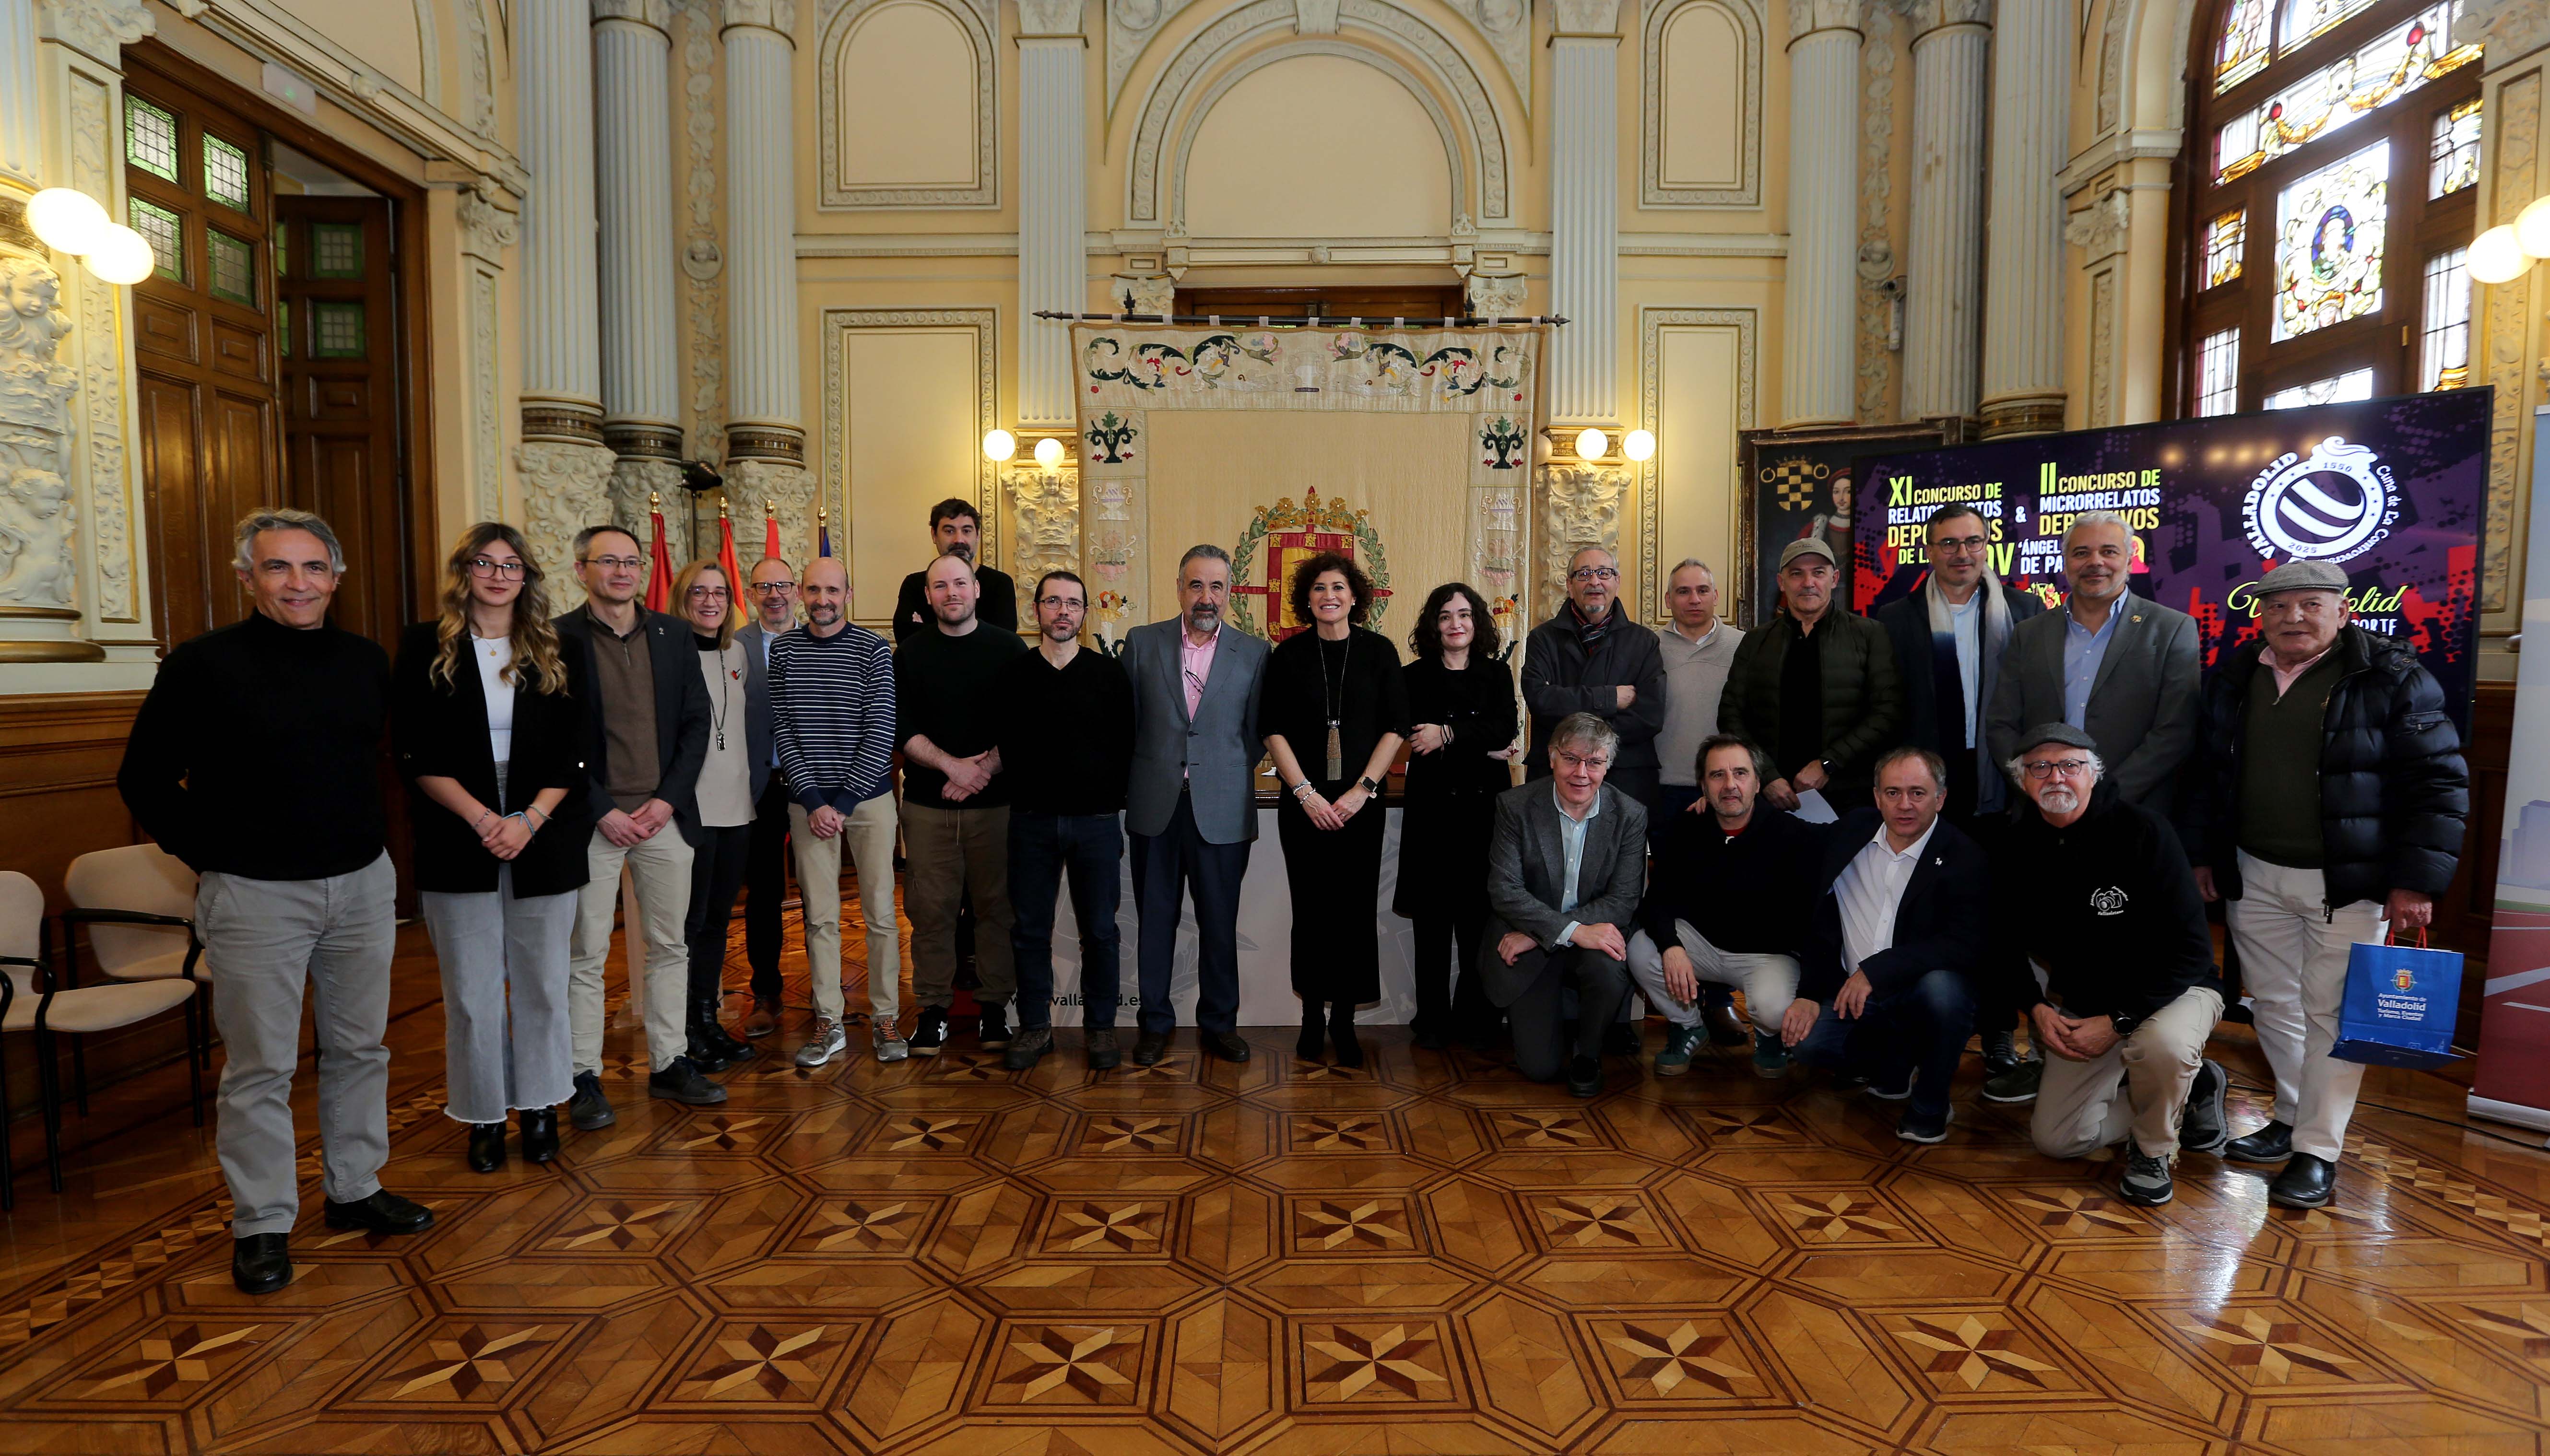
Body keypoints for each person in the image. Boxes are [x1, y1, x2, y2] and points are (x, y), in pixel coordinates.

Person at [119, 508, 432, 1296]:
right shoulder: (201, 664)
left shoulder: (366, 661)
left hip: (360, 884)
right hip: (255, 895)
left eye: (313, 568)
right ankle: (261, 1223)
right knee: (261, 1067)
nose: (298, 584)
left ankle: (354, 1188)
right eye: (278, 568)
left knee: (362, 1048)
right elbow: (144, 779)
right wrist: (216, 858)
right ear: (247, 578)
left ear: (336, 578)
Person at [2186, 560, 2468, 1209]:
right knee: (2274, 1003)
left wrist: (2415, 882)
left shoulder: (2393, 678)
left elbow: (2440, 784)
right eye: (2278, 607)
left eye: (2310, 604)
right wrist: (2204, 855)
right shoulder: (2235, 677)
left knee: (2332, 1015)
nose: (2293, 618)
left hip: (2351, 882)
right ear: (2260, 615)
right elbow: (2208, 776)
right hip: (2252, 872)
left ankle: (2316, 1151)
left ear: (2343, 611)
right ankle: (2289, 1116)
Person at [394, 522, 590, 1174]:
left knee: (541, 983)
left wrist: (529, 819)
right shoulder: (425, 645)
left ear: (527, 576)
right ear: (466, 572)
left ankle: (539, 1108)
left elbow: (576, 752)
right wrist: (484, 817)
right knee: (473, 993)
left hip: (546, 823)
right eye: (486, 562)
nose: (500, 575)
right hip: (458, 824)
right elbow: (413, 751)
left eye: (512, 565)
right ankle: (482, 1116)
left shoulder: (559, 645)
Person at [1997, 724, 2228, 1208]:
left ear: (2094, 775)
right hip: (2088, 1003)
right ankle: (2190, 1086)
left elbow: (2193, 952)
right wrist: (2037, 1009)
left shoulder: (2145, 831)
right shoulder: (2015, 847)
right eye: (2040, 767)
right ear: (2023, 781)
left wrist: (2120, 1020)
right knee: (2059, 1140)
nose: (2056, 777)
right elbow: (2001, 943)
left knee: (2159, 1046)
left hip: (2176, 990)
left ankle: (2153, 1150)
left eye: (2070, 765)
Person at [1875, 503, 2047, 1100]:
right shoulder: (1894, 618)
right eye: (1949, 543)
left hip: (2000, 787)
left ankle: (1999, 1032)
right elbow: (1888, 711)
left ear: (1987, 547)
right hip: (1926, 791)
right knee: (1926, 914)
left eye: (1973, 542)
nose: (1962, 554)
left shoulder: (2024, 613)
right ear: (1930, 551)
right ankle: (1928, 1029)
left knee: (1999, 918)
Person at [553, 523, 721, 1121]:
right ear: (582, 571)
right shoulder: (557, 638)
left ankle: (670, 1063)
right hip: (591, 820)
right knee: (585, 953)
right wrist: (602, 808)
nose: (622, 572)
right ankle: (581, 1076)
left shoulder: (674, 635)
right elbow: (551, 738)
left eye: (631, 562)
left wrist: (666, 801)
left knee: (670, 945)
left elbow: (697, 724)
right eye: (608, 562)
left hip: (663, 818)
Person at [1782, 747, 1988, 1143]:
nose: (1904, 805)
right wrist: (1809, 992)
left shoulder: (1965, 856)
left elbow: (1965, 944)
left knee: (1944, 992)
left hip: (1919, 993)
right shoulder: (1852, 831)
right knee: (1806, 1043)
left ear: (1941, 798)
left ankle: (1931, 1102)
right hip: (1855, 999)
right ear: (1877, 797)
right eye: (1893, 793)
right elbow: (1789, 840)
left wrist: (1877, 970)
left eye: (1918, 793)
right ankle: (1893, 1067)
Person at [1122, 544, 1270, 1064]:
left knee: (1219, 922)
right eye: (1196, 585)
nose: (1205, 597)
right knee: (1155, 920)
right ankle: (1155, 1024)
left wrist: (1216, 771)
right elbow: (1129, 725)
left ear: (1229, 593)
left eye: (1216, 586)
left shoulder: (1254, 653)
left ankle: (1219, 1023)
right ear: (1179, 588)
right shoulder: (1141, 644)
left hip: (1223, 809)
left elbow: (1255, 736)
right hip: (1155, 806)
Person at [1262, 553, 1410, 1067]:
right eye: (1320, 587)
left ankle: (1344, 1021)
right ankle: (1310, 1021)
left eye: (1339, 587)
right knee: (1312, 912)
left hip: (1359, 809)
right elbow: (1273, 729)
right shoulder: (1286, 656)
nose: (1330, 595)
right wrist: (1305, 793)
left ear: (1355, 597)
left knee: (1352, 913)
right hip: (1303, 806)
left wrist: (1362, 790)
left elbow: (1396, 727)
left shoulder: (1379, 652)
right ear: (1306, 598)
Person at [995, 569, 1136, 1070]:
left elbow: (1128, 745)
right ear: (1037, 611)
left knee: (1100, 931)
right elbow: (1006, 745)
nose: (1063, 611)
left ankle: (1101, 1030)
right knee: (1030, 930)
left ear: (1083, 613)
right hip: (1031, 822)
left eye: (1072, 603)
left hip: (1096, 823)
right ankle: (1036, 1028)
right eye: (1052, 602)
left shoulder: (1109, 674)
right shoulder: (1015, 674)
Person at [769, 556, 905, 1065]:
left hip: (868, 801)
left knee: (881, 914)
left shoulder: (873, 650)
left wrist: (843, 803)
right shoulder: (782, 651)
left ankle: (886, 1017)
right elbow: (782, 729)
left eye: (833, 590)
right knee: (819, 918)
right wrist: (814, 801)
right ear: (801, 594)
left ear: (848, 594)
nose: (822, 600)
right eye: (813, 590)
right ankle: (828, 1020)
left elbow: (880, 730)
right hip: (808, 806)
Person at [1628, 735, 1823, 1078]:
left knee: (1775, 1011)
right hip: (1701, 947)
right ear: (1703, 786)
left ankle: (1768, 1035)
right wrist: (1671, 947)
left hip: (1767, 956)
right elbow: (1657, 899)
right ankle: (1688, 1025)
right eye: (1717, 775)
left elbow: (1816, 919)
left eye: (1740, 773)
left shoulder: (1793, 835)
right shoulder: (1688, 828)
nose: (1730, 785)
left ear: (1758, 782)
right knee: (1642, 949)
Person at [897, 553, 1030, 1055]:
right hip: (929, 808)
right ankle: (933, 1010)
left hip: (996, 808)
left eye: (959, 583)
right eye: (939, 586)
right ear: (928, 596)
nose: (951, 593)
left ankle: (995, 1011)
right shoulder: (909, 653)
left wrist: (982, 771)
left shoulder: (1009, 650)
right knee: (930, 912)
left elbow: (1024, 724)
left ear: (976, 589)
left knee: (997, 911)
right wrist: (955, 768)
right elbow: (903, 727)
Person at [1986, 511, 2199, 814]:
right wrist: (2036, 784)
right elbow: (2002, 723)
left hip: (2131, 812)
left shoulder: (2172, 629)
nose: (2095, 562)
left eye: (2109, 551)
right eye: (2081, 553)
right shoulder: (2029, 633)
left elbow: (2175, 731)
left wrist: (2105, 796)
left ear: (2129, 560)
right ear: (2066, 562)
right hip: (2041, 812)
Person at [1479, 713, 1648, 1095]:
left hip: (1573, 938)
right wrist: (1568, 931)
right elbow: (1504, 890)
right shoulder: (1515, 806)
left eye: (1595, 762)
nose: (1582, 773)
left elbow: (1623, 900)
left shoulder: (1630, 815)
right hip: (1532, 942)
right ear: (1552, 757)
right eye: (1572, 759)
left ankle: (1589, 1054)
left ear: (1608, 765)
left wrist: (1546, 934)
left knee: (1609, 966)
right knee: (1540, 1069)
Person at [1395, 582, 1519, 1051]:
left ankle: (1476, 1015)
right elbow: (1413, 733)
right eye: (1445, 616)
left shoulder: (1496, 674)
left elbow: (1504, 728)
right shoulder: (1414, 677)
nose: (1455, 624)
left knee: (1477, 921)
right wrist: (1474, 739)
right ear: (1433, 624)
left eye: (1464, 615)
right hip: (1431, 814)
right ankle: (1431, 1017)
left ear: (1478, 622)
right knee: (1430, 923)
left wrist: (1447, 732)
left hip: (1483, 813)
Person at [1719, 538, 1903, 814]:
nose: (1808, 582)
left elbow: (1887, 712)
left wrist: (1829, 764)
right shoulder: (1756, 641)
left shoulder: (1869, 635)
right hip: (1770, 796)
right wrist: (1766, 776)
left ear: (1834, 578)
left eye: (1818, 572)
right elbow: (1731, 715)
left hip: (1848, 794)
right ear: (1782, 582)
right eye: (1797, 574)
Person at [1652, 556, 1751, 1049]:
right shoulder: (1650, 647)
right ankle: (1677, 1008)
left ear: (1717, 596)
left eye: (1703, 590)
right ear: (1668, 600)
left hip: (1724, 792)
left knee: (1724, 899)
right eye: (1683, 591)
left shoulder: (1742, 645)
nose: (1693, 599)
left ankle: (1718, 1004)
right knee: (1672, 899)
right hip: (1664, 791)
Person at [672, 558, 764, 1074]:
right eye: (698, 593)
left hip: (737, 809)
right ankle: (683, 1029)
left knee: (716, 923)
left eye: (720, 593)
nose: (710, 602)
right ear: (681, 599)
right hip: (691, 810)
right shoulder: (668, 656)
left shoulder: (737, 655)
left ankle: (708, 1020)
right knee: (690, 924)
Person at [1521, 546, 1666, 808]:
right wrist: (1610, 698)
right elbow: (1541, 701)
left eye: (1604, 573)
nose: (1595, 581)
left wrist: (1585, 745)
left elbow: (1650, 716)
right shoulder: (1543, 639)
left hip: (1625, 774)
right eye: (1584, 574)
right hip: (1554, 775)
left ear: (1617, 581)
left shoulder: (1644, 642)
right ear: (1570, 584)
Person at [737, 555, 797, 1039]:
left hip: (814, 787)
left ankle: (830, 994)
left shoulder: (819, 642)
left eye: (782, 585)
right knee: (763, 894)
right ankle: (766, 991)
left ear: (796, 591)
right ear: (750, 593)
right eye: (764, 586)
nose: (774, 594)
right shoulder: (730, 646)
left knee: (824, 896)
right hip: (756, 788)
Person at [892, 497, 1016, 644]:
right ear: (934, 535)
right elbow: (906, 639)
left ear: (978, 535)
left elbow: (1003, 644)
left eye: (967, 531)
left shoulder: (1000, 584)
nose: (959, 539)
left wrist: (927, 631)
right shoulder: (914, 584)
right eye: (950, 531)